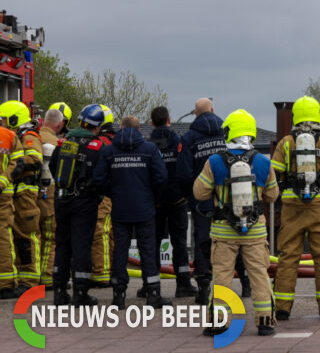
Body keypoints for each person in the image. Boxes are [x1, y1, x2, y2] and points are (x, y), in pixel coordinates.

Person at [193, 109, 278, 336]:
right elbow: (272, 196)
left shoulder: (214, 161)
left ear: (228, 132)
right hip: (255, 231)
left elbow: (200, 193)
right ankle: (265, 322)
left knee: (222, 276)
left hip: (223, 231)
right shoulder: (262, 162)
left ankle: (219, 323)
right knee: (259, 275)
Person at [271, 96, 320, 320]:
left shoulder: (285, 143)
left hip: (291, 207)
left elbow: (274, 174)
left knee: (288, 257)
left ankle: (282, 309)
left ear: (296, 118)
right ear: (318, 116)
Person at [93, 116, 170, 309]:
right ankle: (153, 294)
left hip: (120, 207)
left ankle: (118, 296)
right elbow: (161, 177)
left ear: (120, 128)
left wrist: (114, 193)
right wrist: (154, 197)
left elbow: (99, 179)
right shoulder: (150, 149)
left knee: (119, 250)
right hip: (145, 207)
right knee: (148, 250)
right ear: (139, 129)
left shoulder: (109, 150)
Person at [50, 104, 107, 306]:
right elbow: (102, 175)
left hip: (61, 199)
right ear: (97, 126)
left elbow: (53, 166)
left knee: (62, 244)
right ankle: (80, 293)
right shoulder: (97, 146)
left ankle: (59, 291)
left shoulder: (63, 141)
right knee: (82, 244)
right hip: (85, 201)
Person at [178, 98, 226, 305]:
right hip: (227, 197)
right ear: (213, 110)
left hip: (202, 199)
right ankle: (245, 284)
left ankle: (204, 287)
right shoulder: (226, 133)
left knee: (202, 240)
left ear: (196, 114)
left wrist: (191, 194)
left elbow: (184, 172)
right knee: (234, 239)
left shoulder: (188, 138)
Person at [147, 106, 197, 298]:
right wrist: (185, 194)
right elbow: (185, 170)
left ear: (152, 122)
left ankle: (150, 284)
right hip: (178, 201)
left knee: (153, 243)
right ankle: (183, 284)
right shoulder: (179, 141)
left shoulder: (149, 144)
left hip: (156, 203)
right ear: (169, 119)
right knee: (179, 243)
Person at [0, 100, 43, 295]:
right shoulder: (15, 135)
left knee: (27, 236)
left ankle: (30, 281)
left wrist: (15, 162)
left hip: (25, 194)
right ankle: (21, 279)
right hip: (15, 193)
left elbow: (35, 160)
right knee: (15, 237)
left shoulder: (29, 136)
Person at [38, 105, 69, 289]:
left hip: (29, 195)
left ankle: (32, 275)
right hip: (50, 193)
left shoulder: (31, 137)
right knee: (51, 236)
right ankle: (48, 277)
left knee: (35, 235)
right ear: (59, 125)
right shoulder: (57, 143)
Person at [90, 104, 115, 288]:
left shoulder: (101, 143)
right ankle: (112, 269)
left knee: (100, 231)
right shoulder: (116, 140)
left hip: (103, 194)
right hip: (117, 194)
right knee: (112, 233)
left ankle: (101, 273)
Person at [0, 120, 24, 299]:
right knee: (3, 238)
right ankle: (5, 284)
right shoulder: (8, 136)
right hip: (2, 196)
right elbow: (18, 164)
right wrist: (3, 181)